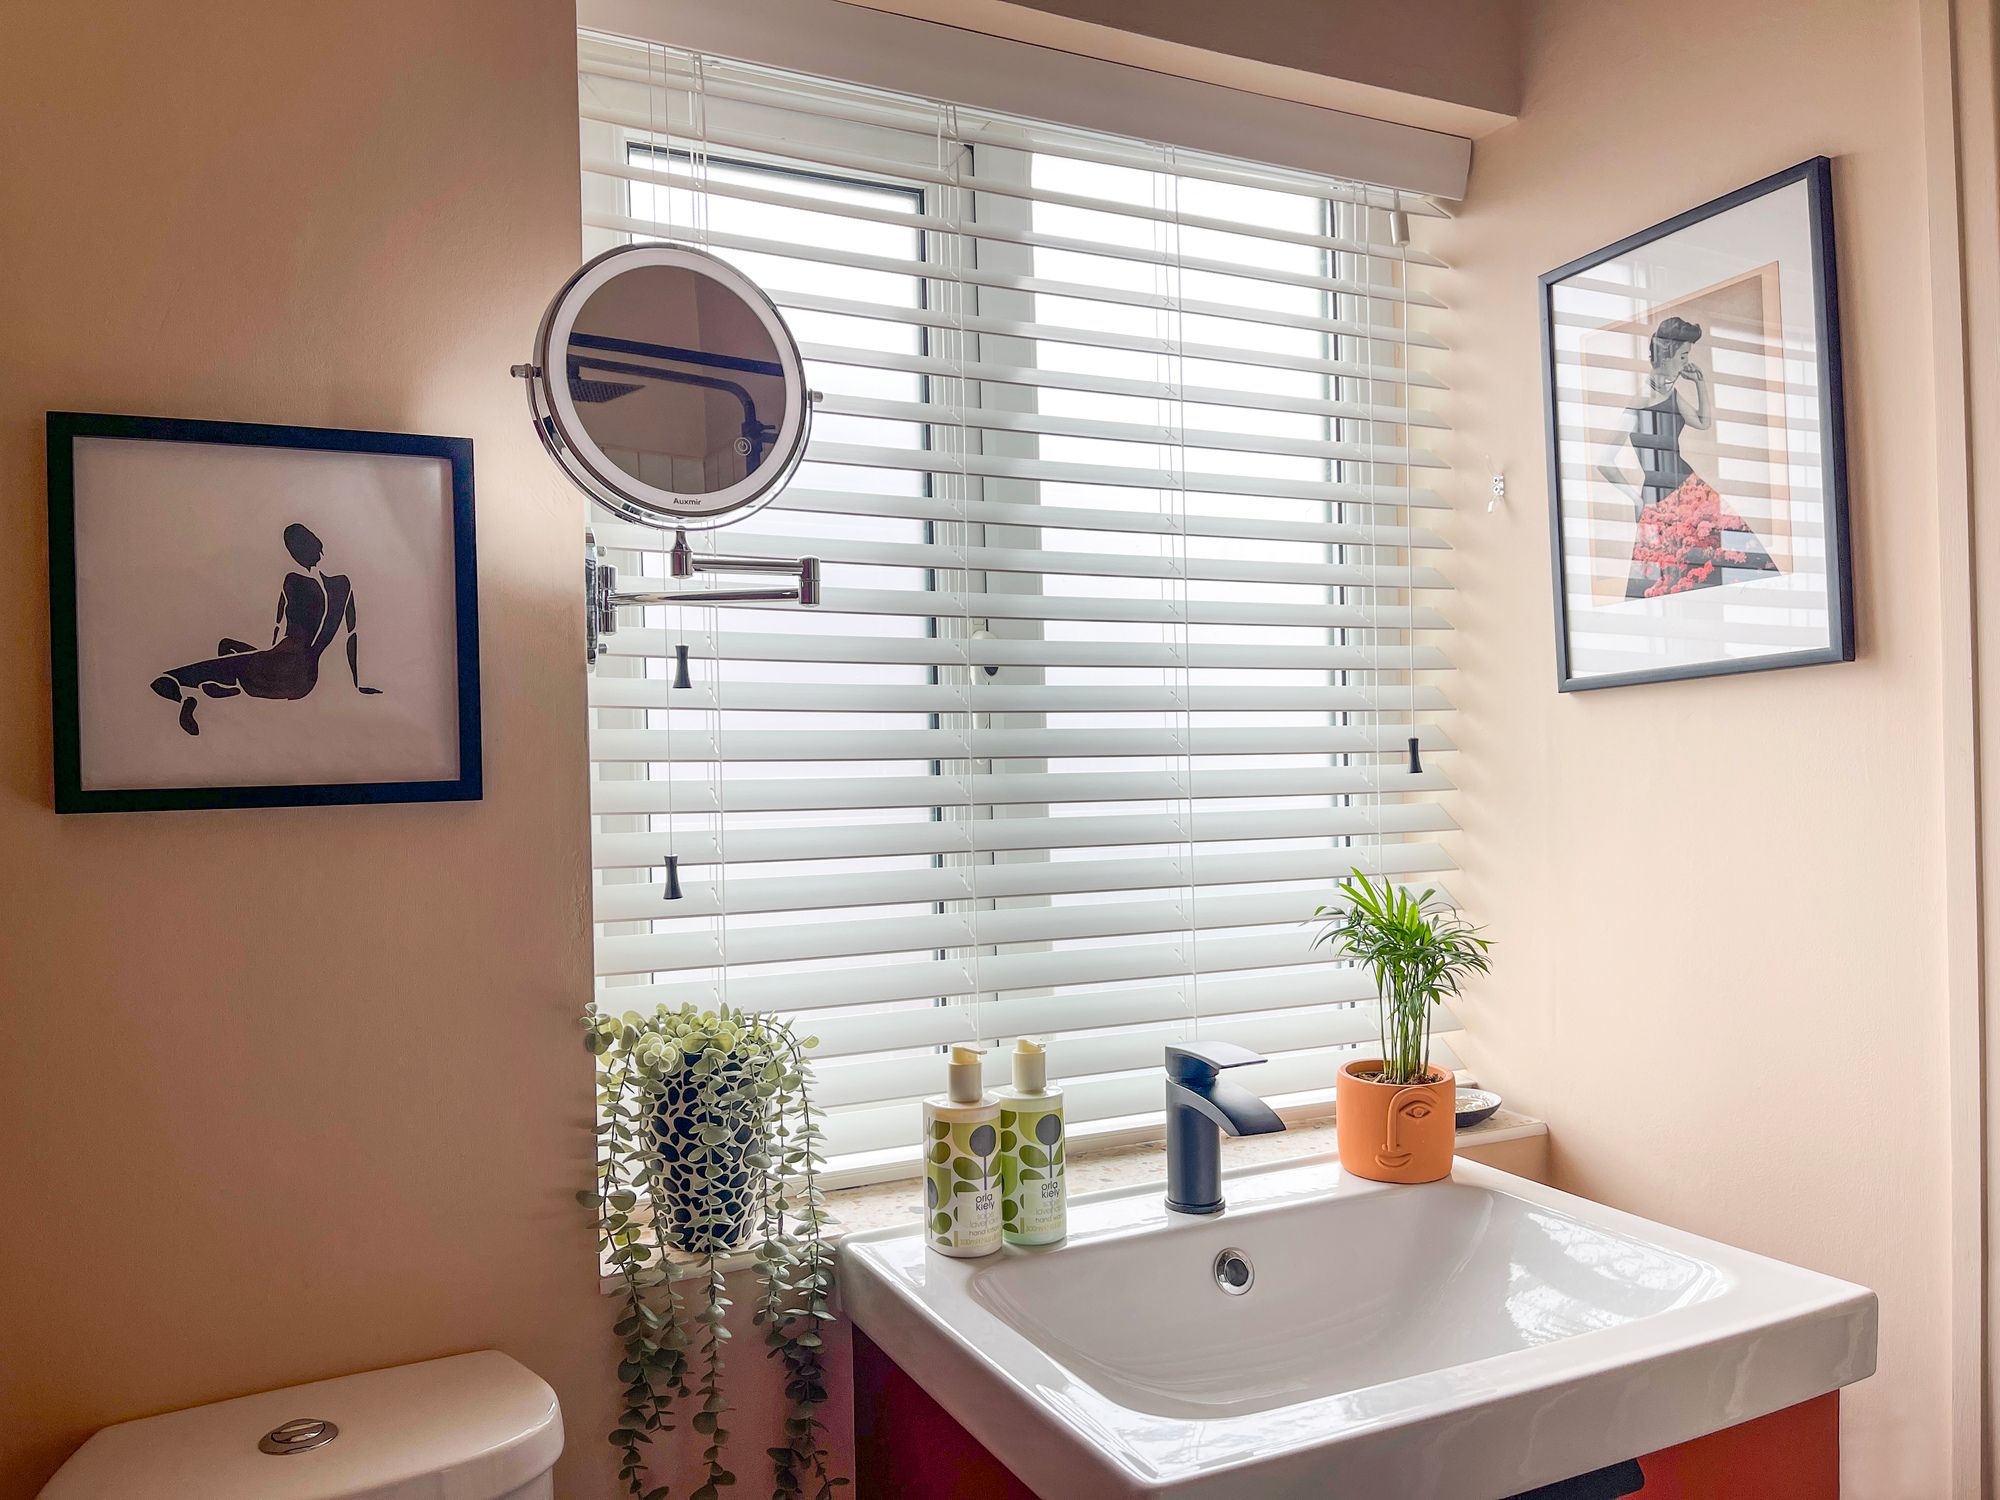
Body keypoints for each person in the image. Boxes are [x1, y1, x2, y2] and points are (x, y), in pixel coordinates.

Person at [1594, 315, 1777, 599]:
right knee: (1671, 577)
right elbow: (1604, 460)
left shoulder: (1673, 394)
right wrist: (1635, 499)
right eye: (1683, 356)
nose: (1685, 363)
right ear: (1666, 355)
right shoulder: (1639, 402)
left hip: (1691, 489)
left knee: (1734, 557)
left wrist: (1700, 384)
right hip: (1659, 499)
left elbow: (1703, 423)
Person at [150, 523, 380, 736]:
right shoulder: (343, 584)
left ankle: (191, 695)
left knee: (170, 678)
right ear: (318, 544)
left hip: (274, 667)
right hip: (304, 681)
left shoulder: (292, 581)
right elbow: (351, 635)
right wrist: (357, 685)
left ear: (293, 554)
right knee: (229, 648)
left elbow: (278, 628)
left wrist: (268, 653)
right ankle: (225, 688)